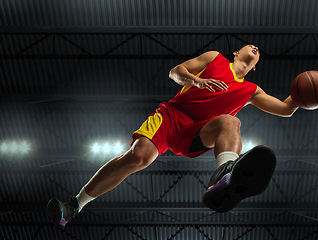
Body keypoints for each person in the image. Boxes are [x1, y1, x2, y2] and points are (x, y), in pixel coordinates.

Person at [47, 44, 300, 228]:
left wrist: (308, 96)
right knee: (138, 157)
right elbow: (175, 72)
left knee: (231, 121)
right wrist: (195, 81)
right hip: (172, 117)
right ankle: (74, 205)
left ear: (255, 68)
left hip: (198, 132)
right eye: (250, 45)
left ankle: (224, 175)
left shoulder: (251, 90)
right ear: (236, 52)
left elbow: (287, 108)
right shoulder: (215, 58)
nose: (256, 47)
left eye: (259, 52)